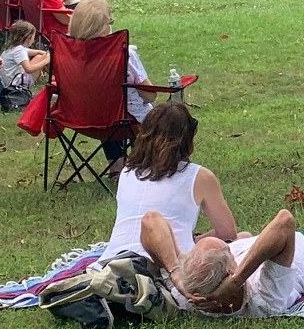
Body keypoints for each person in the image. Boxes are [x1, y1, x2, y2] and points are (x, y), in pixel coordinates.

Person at [141, 174, 304, 318]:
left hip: (254, 245)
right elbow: (284, 221)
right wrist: (237, 281)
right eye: (227, 248)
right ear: (231, 271)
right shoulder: (264, 298)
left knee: (243, 234)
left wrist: (178, 279)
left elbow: (151, 220)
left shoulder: (190, 293)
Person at [98, 103, 238, 262]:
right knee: (243, 238)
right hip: (171, 265)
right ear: (187, 139)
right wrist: (195, 240)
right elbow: (228, 234)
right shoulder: (200, 176)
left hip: (112, 261)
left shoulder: (127, 172)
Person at [67, 0, 157, 172]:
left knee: (105, 106)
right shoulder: (124, 53)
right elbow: (149, 95)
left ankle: (117, 168)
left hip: (80, 116)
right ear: (104, 25)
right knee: (145, 114)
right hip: (122, 121)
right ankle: (142, 166)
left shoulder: (65, 53)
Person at [0, 20, 49, 97]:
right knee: (40, 58)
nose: (33, 39)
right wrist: (46, 61)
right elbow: (28, 69)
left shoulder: (11, 47)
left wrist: (43, 53)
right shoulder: (20, 50)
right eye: (33, 37)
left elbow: (33, 52)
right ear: (28, 38)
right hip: (15, 84)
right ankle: (56, 83)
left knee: (40, 56)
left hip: (7, 81)